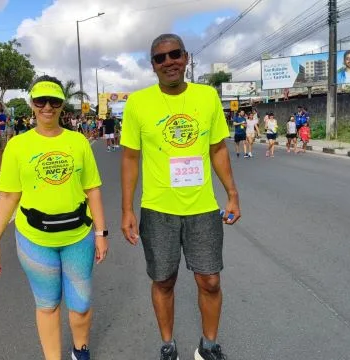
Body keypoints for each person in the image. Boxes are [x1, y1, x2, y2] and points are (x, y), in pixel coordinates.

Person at [120, 33, 241, 360]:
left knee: (210, 280)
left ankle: (209, 346)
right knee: (163, 280)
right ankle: (168, 345)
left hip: (202, 208)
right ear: (153, 65)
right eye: (160, 58)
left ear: (186, 58)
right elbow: (130, 157)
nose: (169, 62)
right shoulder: (137, 103)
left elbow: (217, 149)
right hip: (158, 209)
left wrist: (232, 193)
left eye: (175, 54)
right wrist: (127, 209)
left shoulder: (207, 97)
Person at [0, 75, 108, 360]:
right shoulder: (18, 146)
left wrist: (101, 233)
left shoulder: (78, 143)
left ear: (62, 105)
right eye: (41, 101)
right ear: (32, 104)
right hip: (34, 239)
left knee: (81, 304)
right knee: (48, 304)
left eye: (54, 101)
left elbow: (93, 190)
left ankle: (81, 351)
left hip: (78, 236)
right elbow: (8, 197)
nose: (47, 107)